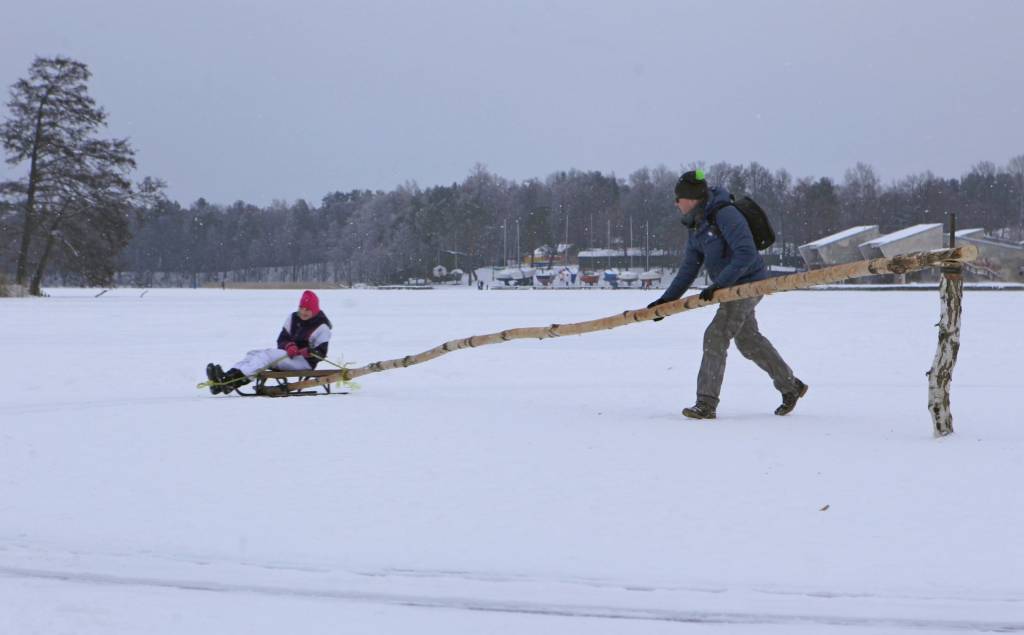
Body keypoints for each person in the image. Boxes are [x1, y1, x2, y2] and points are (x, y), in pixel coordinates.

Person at [646, 170, 807, 419]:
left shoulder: (725, 214)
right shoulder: (697, 225)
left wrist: (719, 284)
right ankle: (791, 386)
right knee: (749, 341)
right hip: (728, 286)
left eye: (678, 198)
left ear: (690, 198)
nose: (676, 203)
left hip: (748, 284)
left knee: (716, 335)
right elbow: (689, 268)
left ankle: (706, 403)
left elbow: (746, 253)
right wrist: (666, 301)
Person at [206, 290, 332, 395]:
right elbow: (282, 339)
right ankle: (224, 379)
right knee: (253, 354)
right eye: (301, 308)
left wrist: (307, 352)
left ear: (314, 310)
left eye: (307, 310)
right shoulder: (293, 318)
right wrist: (289, 345)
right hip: (289, 355)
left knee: (267, 355)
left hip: (304, 362)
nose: (303, 312)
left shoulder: (322, 327)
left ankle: (232, 381)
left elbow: (321, 353)